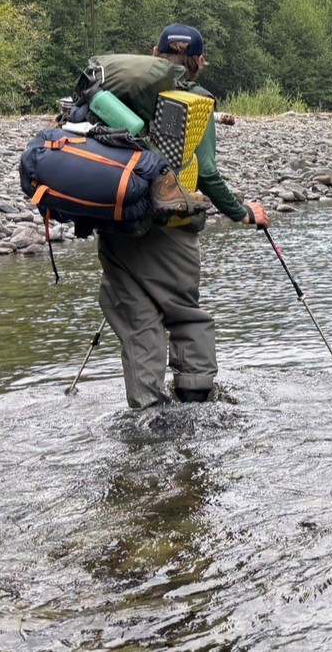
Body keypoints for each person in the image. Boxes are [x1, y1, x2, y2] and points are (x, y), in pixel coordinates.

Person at [96, 23, 270, 408]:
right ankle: (195, 403)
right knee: (187, 318)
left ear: (154, 56)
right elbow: (205, 173)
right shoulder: (194, 103)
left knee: (140, 326)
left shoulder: (115, 96)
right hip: (168, 230)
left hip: (114, 226)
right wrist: (242, 213)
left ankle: (147, 414)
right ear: (198, 61)